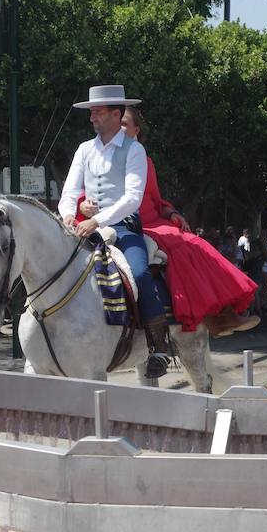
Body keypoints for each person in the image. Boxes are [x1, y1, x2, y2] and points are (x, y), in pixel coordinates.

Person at [78, 105, 258, 337]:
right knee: (182, 247)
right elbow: (93, 188)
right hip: (129, 221)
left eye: (125, 124)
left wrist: (170, 212)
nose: (120, 128)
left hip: (150, 219)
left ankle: (220, 313)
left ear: (136, 130)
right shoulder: (95, 152)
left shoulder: (141, 157)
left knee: (195, 243)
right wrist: (82, 203)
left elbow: (154, 197)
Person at [58, 84, 171, 378]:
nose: (92, 117)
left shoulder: (134, 150)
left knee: (140, 272)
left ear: (115, 113)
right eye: (92, 112)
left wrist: (97, 221)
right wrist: (69, 215)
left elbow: (132, 198)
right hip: (83, 228)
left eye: (97, 111)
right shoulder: (84, 150)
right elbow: (69, 191)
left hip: (122, 228)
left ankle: (158, 346)